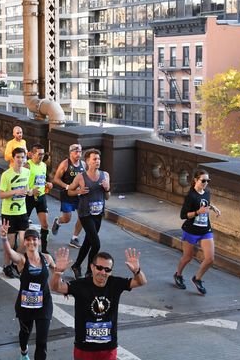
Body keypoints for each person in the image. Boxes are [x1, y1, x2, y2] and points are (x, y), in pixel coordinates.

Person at [50, 247, 147, 360]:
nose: (103, 272)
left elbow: (141, 281)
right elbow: (55, 287)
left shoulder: (115, 283)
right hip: (84, 347)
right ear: (92, 267)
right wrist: (58, 272)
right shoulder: (80, 285)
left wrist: (137, 271)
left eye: (107, 270)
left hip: (108, 348)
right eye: (99, 268)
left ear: (111, 271)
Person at [0, 224, 55, 360]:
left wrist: (60, 271)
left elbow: (57, 270)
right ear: (24, 242)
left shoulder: (47, 258)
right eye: (28, 239)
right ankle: (24, 352)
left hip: (44, 303)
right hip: (26, 305)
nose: (32, 242)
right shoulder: (22, 260)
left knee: (42, 341)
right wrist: (4, 238)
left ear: (39, 241)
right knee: (25, 333)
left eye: (34, 239)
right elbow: (11, 254)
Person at [173, 169, 221, 295]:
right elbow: (183, 215)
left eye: (208, 181)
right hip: (191, 230)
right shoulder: (190, 196)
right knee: (188, 257)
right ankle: (178, 275)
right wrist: (197, 213)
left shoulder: (207, 192)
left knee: (210, 259)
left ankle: (197, 278)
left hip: (205, 229)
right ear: (195, 180)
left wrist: (213, 208)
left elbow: (206, 203)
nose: (206, 183)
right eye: (203, 180)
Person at [70, 148, 111, 279]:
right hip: (85, 214)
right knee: (96, 244)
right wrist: (78, 192)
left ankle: (76, 266)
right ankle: (89, 270)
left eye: (98, 159)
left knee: (88, 243)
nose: (97, 161)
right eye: (94, 159)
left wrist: (107, 188)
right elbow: (69, 191)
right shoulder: (81, 177)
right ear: (87, 161)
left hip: (98, 214)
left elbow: (108, 197)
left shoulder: (105, 175)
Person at [0, 147, 35, 279]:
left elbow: (28, 189)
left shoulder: (27, 172)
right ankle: (6, 265)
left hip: (22, 211)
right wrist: (15, 192)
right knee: (10, 241)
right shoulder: (6, 174)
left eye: (23, 157)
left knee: (25, 241)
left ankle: (15, 262)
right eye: (18, 157)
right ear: (13, 158)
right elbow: (1, 194)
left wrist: (31, 192)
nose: (20, 160)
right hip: (8, 212)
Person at [51, 144, 86, 248]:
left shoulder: (83, 164)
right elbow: (56, 179)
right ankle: (58, 221)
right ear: (70, 152)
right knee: (67, 218)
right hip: (67, 194)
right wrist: (67, 186)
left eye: (80, 151)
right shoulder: (65, 164)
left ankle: (74, 238)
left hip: (80, 194)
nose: (78, 154)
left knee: (82, 216)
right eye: (76, 152)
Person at [25, 144, 53, 254]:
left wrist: (47, 184)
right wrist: (30, 191)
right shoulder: (27, 166)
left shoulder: (43, 165)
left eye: (43, 154)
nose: (41, 156)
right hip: (29, 198)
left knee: (45, 224)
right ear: (32, 154)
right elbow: (21, 183)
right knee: (22, 224)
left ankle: (44, 250)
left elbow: (41, 180)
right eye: (39, 154)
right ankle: (16, 244)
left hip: (41, 197)